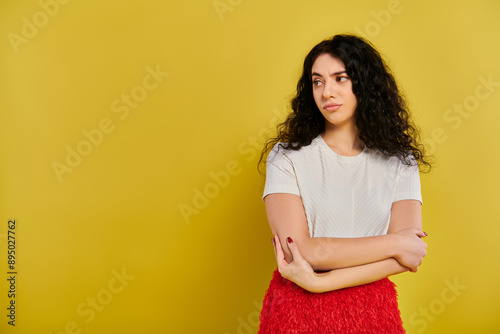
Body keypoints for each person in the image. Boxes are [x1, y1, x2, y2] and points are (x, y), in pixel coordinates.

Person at [257, 34, 432, 333]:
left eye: (340, 78)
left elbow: (410, 257)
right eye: (318, 81)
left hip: (374, 311)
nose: (327, 92)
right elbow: (302, 251)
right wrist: (394, 243)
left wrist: (319, 282)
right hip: (297, 312)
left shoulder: (401, 162)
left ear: (364, 84)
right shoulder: (285, 157)